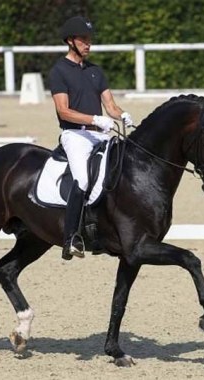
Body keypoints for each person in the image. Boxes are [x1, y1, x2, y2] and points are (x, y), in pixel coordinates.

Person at [48, 16, 134, 261]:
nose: (88, 44)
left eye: (89, 40)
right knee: (83, 180)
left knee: (120, 170)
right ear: (70, 41)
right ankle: (71, 237)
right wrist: (94, 120)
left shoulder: (96, 71)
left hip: (100, 134)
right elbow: (63, 110)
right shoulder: (59, 72)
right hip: (75, 135)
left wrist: (123, 115)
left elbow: (111, 106)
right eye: (83, 40)